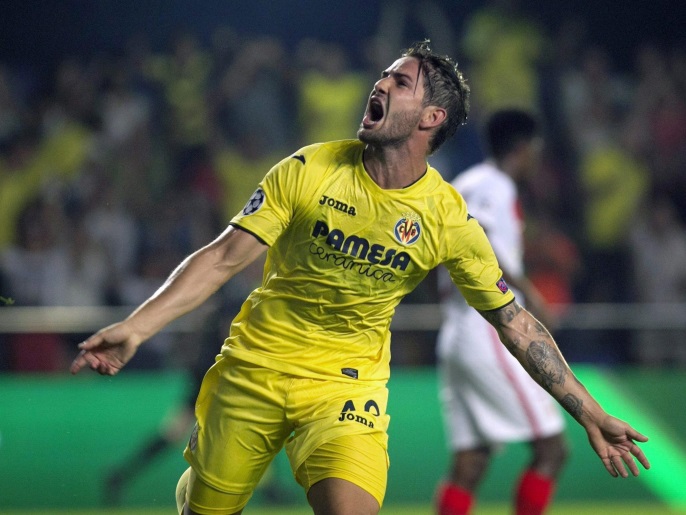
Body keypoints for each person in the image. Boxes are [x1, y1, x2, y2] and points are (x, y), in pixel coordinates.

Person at [70, 40, 650, 515]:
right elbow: (224, 257)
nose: (380, 84)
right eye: (383, 75)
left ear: (431, 118)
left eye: (400, 82)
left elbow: (516, 322)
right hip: (252, 368)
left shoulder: (446, 217)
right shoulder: (309, 168)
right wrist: (137, 327)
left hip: (345, 388)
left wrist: (590, 412)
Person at [434, 109, 568, 515]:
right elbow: (483, 243)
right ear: (522, 147)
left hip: (458, 330)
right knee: (552, 449)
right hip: (487, 329)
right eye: (535, 150)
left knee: (470, 462)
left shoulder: (472, 183)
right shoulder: (491, 184)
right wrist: (531, 292)